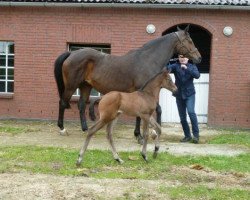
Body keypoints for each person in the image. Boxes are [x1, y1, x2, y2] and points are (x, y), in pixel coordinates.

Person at [167, 54, 200, 144]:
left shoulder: (192, 66)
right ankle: (187, 136)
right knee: (182, 117)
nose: (182, 59)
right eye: (181, 57)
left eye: (184, 57)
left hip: (190, 94)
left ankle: (196, 136)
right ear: (179, 58)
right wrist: (167, 60)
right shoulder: (175, 66)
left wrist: (186, 68)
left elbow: (197, 75)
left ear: (188, 58)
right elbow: (166, 69)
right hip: (179, 95)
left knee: (191, 112)